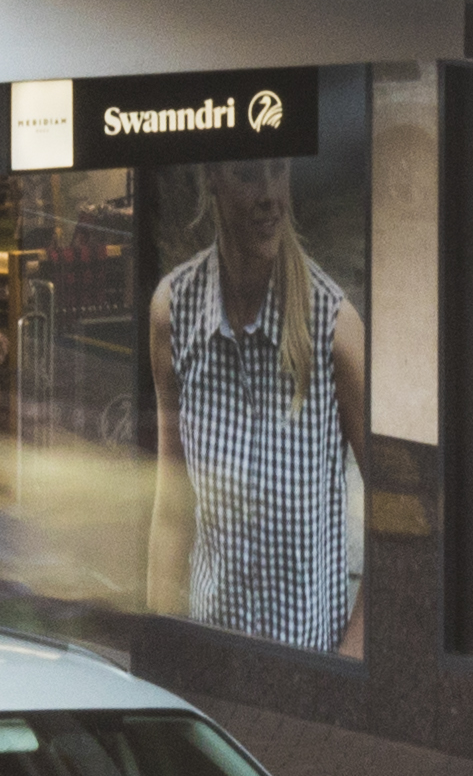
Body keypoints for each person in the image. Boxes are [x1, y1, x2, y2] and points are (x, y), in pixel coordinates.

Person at [150, 156, 369, 652]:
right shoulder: (173, 311)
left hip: (306, 670)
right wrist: (162, 648)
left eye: (279, 171)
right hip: (211, 661)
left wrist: (350, 655)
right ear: (211, 178)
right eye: (248, 174)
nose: (270, 194)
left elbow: (400, 518)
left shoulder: (333, 327)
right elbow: (172, 504)